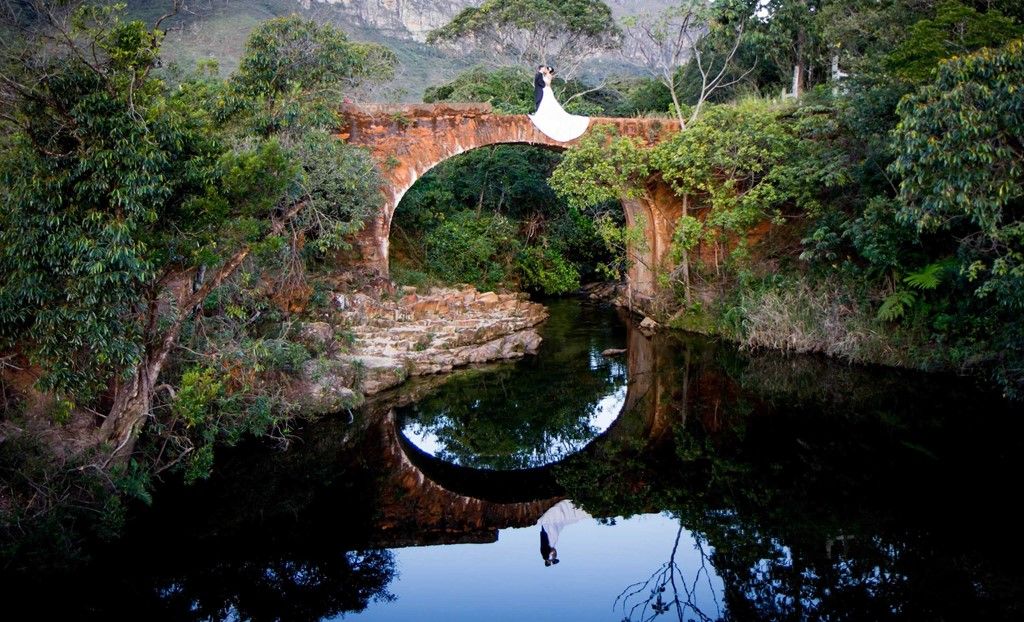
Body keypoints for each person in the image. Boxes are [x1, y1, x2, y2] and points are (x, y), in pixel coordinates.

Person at [528, 66, 590, 143]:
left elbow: (548, 83)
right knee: (544, 103)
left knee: (548, 103)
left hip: (547, 90)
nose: (545, 69)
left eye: (547, 69)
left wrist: (545, 81)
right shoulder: (542, 75)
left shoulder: (548, 76)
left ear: (548, 71)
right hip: (544, 91)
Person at [537, 499, 592, 566]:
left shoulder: (545, 552)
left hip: (548, 528)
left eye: (551, 559)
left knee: (562, 516)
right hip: (551, 529)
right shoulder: (551, 546)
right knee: (568, 519)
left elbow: (547, 555)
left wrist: (550, 560)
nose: (554, 555)